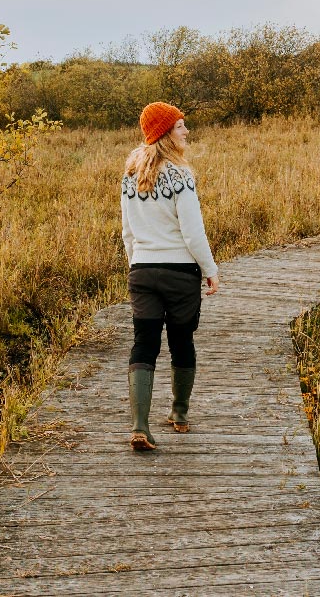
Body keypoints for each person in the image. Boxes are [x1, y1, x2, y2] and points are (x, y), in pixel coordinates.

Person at [120, 102, 220, 451]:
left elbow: (128, 233)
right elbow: (193, 233)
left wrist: (139, 265)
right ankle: (179, 414)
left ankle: (140, 427)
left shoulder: (129, 176)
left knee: (144, 344)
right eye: (180, 126)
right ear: (165, 133)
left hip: (142, 273)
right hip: (180, 274)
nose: (186, 131)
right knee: (181, 342)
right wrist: (210, 270)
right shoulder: (181, 176)